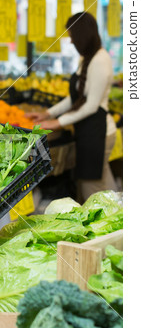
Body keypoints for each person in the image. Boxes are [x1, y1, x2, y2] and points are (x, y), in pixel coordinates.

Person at [26, 12, 117, 202]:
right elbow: (75, 98)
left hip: (98, 134)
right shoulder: (88, 59)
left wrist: (57, 123)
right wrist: (47, 114)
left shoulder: (100, 61)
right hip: (88, 132)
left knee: (92, 192)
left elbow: (91, 106)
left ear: (82, 35)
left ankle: (114, 228)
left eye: (72, 36)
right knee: (103, 186)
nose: (71, 42)